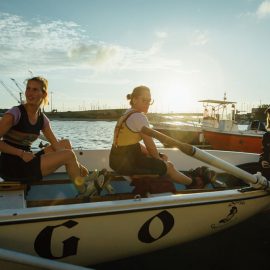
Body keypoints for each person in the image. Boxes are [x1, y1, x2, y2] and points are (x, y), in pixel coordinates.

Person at [0, 76, 101, 197]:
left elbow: (57, 146)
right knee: (68, 155)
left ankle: (82, 176)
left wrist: (79, 165)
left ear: (43, 94)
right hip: (12, 167)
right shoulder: (15, 113)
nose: (30, 93)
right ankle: (84, 191)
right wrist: (21, 153)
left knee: (65, 144)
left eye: (35, 90)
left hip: (28, 159)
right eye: (28, 89)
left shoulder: (42, 119)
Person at [109, 85, 214, 189]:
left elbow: (132, 144)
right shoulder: (139, 117)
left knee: (164, 158)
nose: (147, 104)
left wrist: (158, 157)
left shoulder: (126, 114)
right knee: (168, 166)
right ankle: (194, 184)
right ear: (134, 99)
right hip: (127, 164)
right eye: (144, 100)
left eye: (149, 101)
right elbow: (150, 146)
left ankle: (145, 174)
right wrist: (160, 162)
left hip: (116, 161)